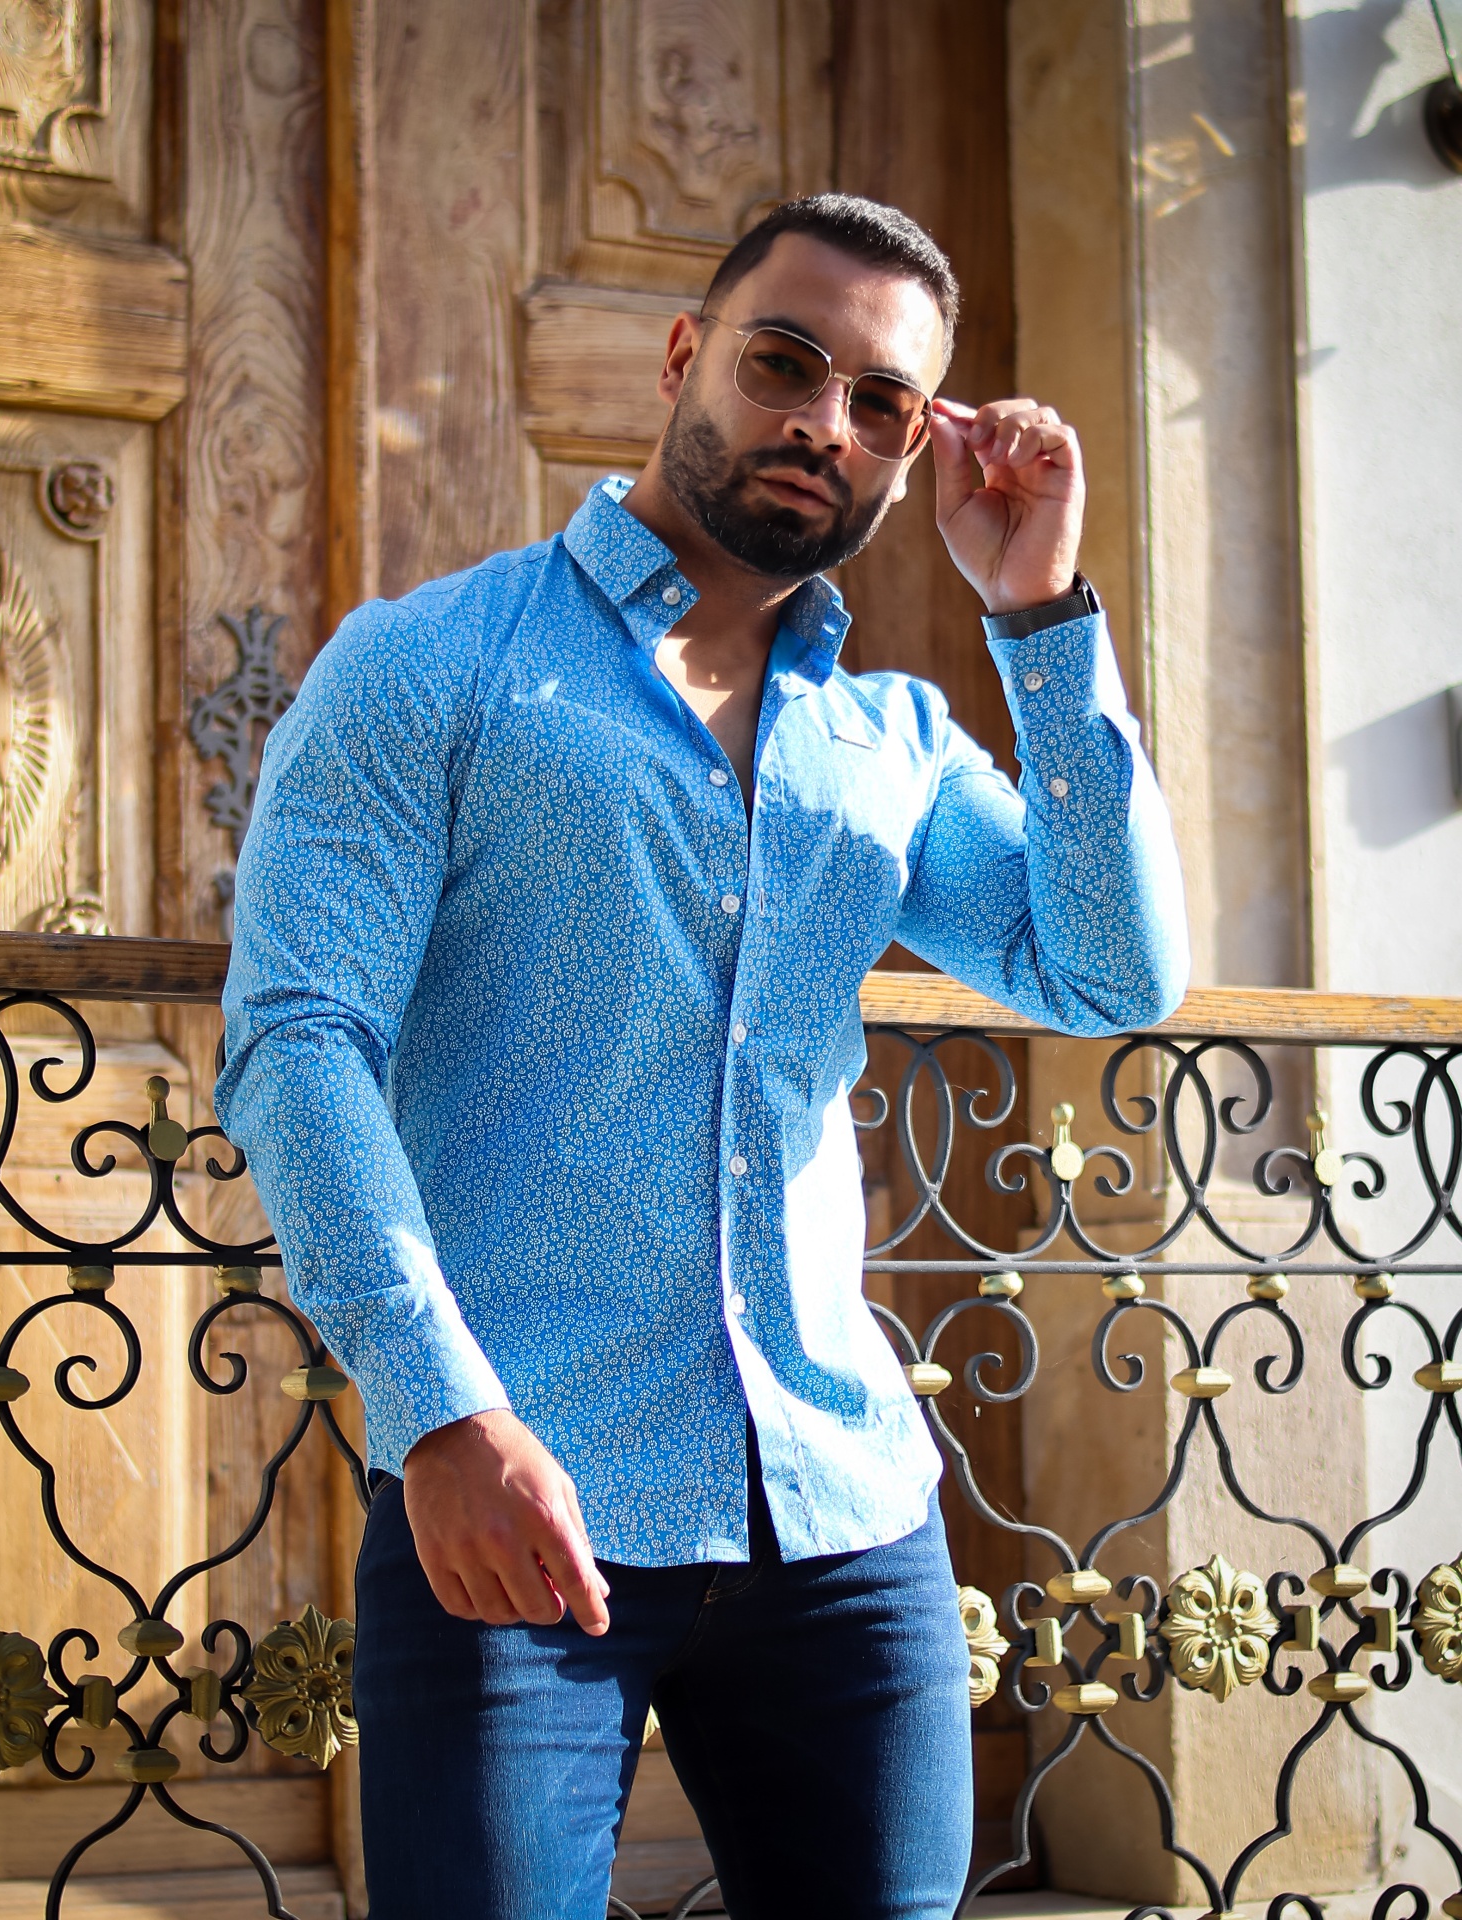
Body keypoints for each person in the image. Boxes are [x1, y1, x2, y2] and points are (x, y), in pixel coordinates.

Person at [217, 193, 1189, 1920]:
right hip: (521, 1498)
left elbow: (1109, 973)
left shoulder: (888, 737)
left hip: (843, 1513)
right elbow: (301, 1041)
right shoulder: (432, 664)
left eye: (881, 401)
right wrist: (437, 1411)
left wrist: (1038, 613)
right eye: (785, 363)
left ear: (913, 446)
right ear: (686, 357)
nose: (826, 422)